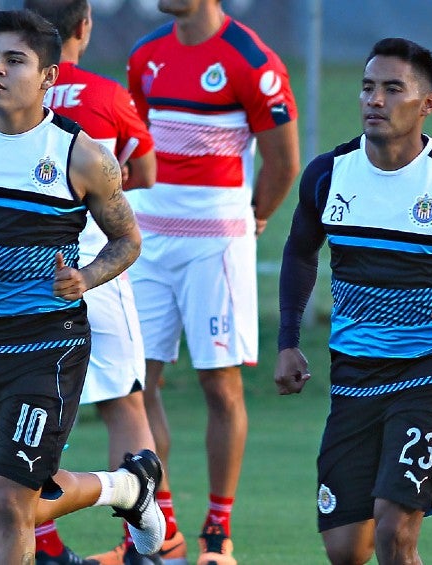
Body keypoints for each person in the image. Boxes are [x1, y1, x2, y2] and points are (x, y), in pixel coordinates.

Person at [0, 10, 165, 563]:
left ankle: (127, 491)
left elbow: (127, 241)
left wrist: (86, 277)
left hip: (49, 344)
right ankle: (128, 488)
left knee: (11, 506)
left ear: (48, 77)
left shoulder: (82, 154)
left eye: (15, 60)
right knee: (9, 498)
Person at [274, 38, 432, 565]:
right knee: (347, 551)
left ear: (427, 104)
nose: (376, 100)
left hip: (430, 371)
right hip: (354, 375)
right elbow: (300, 254)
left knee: (395, 537)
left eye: (393, 89)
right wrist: (289, 341)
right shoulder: (328, 175)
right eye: (368, 88)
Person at [125, 1, 300, 563]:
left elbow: (282, 163)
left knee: (219, 387)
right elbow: (136, 149)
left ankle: (218, 532)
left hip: (215, 245)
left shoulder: (252, 59)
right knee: (137, 385)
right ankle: (163, 527)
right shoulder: (145, 55)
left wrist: (253, 218)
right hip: (146, 239)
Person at [19, 1, 175, 564]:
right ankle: (145, 542)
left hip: (21, 274)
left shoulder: (9, 95)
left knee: (26, 411)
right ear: (84, 26)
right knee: (124, 405)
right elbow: (148, 173)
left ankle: (42, 545)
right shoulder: (106, 96)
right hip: (93, 267)